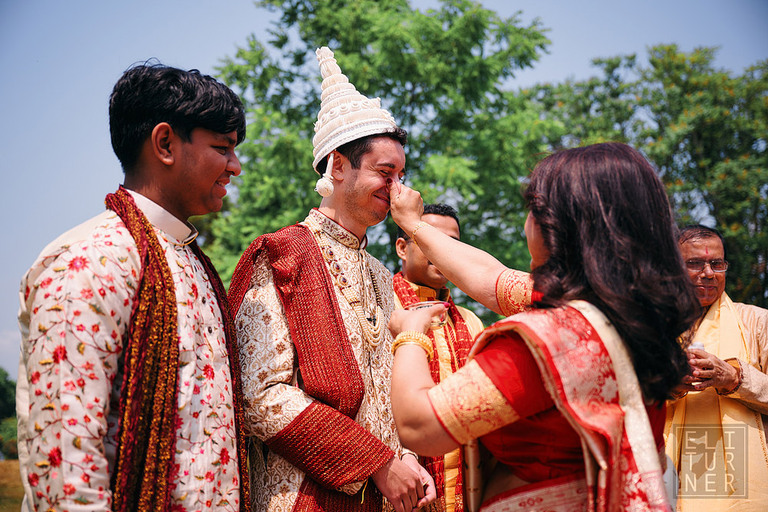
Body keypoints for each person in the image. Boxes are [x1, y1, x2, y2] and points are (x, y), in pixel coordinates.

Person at [387, 142, 701, 510]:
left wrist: (411, 334)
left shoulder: (548, 339)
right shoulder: (629, 312)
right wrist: (413, 224)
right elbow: (490, 276)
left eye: (534, 210)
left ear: (557, 226)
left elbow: (420, 427)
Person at [16, 63, 250, 511]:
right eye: (222, 148)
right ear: (165, 144)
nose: (235, 167)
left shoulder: (191, 261)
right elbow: (64, 463)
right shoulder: (90, 261)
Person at [227, 47, 435, 512]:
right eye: (385, 172)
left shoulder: (380, 274)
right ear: (338, 166)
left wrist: (406, 460)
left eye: (402, 175)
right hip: (302, 497)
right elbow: (260, 396)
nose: (398, 189)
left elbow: (388, 392)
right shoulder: (283, 255)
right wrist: (376, 463)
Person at [665, 225, 768, 510]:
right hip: (665, 473)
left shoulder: (757, 323)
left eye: (717, 264)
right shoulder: (652, 327)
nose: (708, 273)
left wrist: (734, 378)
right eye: (695, 263)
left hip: (742, 481)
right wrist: (666, 385)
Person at [393, 203, 484, 512]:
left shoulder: (470, 322)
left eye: (451, 243)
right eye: (429, 239)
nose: (442, 250)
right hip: (398, 486)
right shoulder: (382, 310)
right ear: (402, 248)